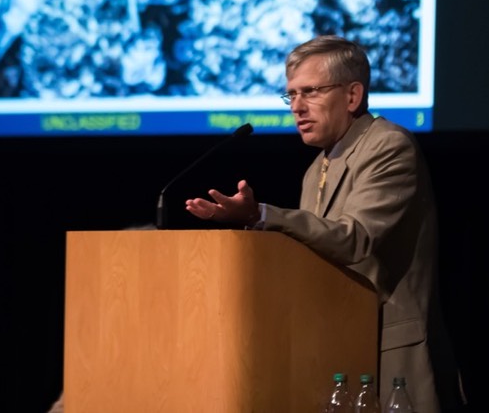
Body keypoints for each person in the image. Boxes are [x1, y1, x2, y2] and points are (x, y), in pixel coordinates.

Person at [184, 35, 463, 413]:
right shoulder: (318, 166)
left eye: (311, 92)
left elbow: (355, 239)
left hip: (389, 351)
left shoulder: (389, 146)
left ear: (352, 95)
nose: (297, 107)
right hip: (335, 346)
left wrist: (262, 215)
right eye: (291, 95)